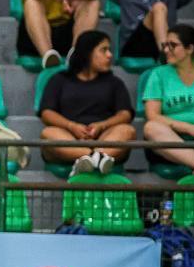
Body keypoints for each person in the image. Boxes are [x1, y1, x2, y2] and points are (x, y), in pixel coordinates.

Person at [39, 30, 136, 178]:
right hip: (69, 139)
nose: (109, 55)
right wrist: (71, 126)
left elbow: (125, 114)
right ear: (87, 52)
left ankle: (89, 160)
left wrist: (102, 125)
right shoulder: (59, 80)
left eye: (109, 50)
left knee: (127, 131)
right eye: (104, 50)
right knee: (48, 133)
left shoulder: (114, 83)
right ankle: (95, 158)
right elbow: (47, 113)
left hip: (104, 139)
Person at [142, 24, 194, 176]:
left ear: (190, 49)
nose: (166, 50)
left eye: (172, 45)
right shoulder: (158, 74)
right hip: (170, 141)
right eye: (165, 45)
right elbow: (153, 115)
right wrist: (191, 128)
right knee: (151, 127)